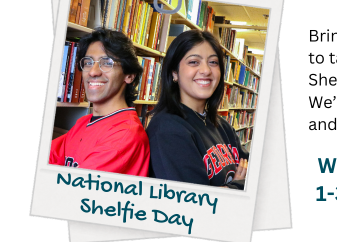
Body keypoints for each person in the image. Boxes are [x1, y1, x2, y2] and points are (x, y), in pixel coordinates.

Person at [146, 30, 248, 189]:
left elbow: (257, 172)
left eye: (213, 62)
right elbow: (195, 204)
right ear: (174, 73)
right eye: (194, 62)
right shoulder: (167, 130)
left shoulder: (222, 126)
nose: (206, 70)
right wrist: (236, 186)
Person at [49, 28, 150, 176]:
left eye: (107, 62)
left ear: (129, 75)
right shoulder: (84, 122)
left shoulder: (124, 135)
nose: (93, 72)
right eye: (88, 62)